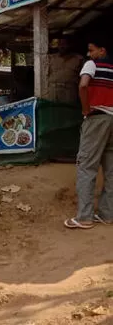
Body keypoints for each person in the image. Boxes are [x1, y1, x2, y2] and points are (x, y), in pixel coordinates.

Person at [64, 37, 113, 229]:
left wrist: (86, 109)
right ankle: (107, 214)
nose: (88, 54)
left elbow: (83, 85)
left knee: (86, 167)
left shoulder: (92, 65)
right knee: (111, 170)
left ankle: (84, 217)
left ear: (102, 50)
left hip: (97, 119)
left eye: (91, 50)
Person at [49, 38, 84, 105]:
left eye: (64, 44)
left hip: (69, 90)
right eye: (60, 44)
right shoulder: (51, 58)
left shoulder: (78, 59)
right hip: (53, 90)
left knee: (68, 111)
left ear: (69, 45)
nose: (62, 47)